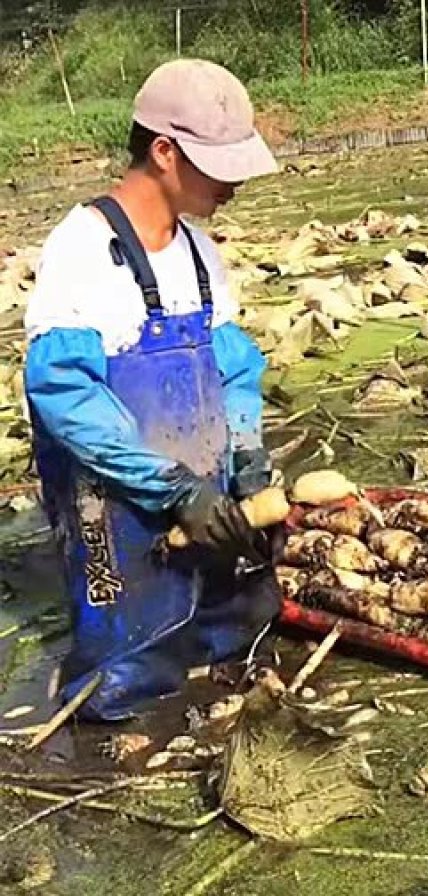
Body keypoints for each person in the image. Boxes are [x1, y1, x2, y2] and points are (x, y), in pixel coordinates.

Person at [24, 59, 283, 722]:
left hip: (203, 482)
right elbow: (63, 392)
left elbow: (233, 368)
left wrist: (247, 460)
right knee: (129, 667)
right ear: (164, 152)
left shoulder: (199, 251)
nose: (233, 184)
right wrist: (170, 489)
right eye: (219, 166)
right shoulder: (82, 249)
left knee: (241, 627)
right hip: (114, 498)